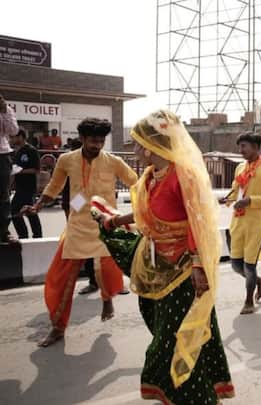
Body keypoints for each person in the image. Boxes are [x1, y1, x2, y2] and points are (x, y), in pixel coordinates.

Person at [97, 110, 234, 403]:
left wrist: (198, 265)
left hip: (183, 271)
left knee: (171, 340)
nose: (133, 150)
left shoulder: (184, 176)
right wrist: (114, 222)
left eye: (135, 144)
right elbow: (143, 214)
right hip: (155, 266)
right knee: (161, 330)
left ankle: (196, 397)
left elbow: (200, 222)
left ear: (149, 145)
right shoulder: (150, 176)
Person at [28, 118, 138, 347]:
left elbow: (136, 182)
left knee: (106, 271)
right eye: (93, 141)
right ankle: (58, 328)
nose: (97, 145)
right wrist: (38, 205)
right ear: (82, 138)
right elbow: (54, 186)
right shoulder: (67, 159)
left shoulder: (114, 161)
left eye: (101, 141)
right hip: (77, 223)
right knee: (60, 279)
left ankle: (107, 298)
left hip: (105, 224)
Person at [223, 132, 261, 314]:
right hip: (238, 222)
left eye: (244, 146)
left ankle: (248, 302)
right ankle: (259, 281)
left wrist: (250, 201)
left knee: (249, 265)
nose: (241, 150)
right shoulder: (240, 168)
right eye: (240, 147)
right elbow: (235, 190)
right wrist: (227, 199)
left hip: (258, 224)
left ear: (256, 147)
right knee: (235, 264)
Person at [10, 129, 42, 238]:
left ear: (21, 137)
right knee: (21, 211)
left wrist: (21, 171)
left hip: (29, 187)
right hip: (19, 187)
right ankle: (26, 235)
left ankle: (35, 235)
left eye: (13, 137)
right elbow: (14, 170)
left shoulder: (31, 150)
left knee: (22, 211)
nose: (11, 139)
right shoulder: (16, 152)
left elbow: (37, 170)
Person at [0, 94, 19, 243]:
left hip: (2, 154)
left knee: (3, 194)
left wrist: (4, 110)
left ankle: (4, 231)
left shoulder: (7, 110)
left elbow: (13, 131)